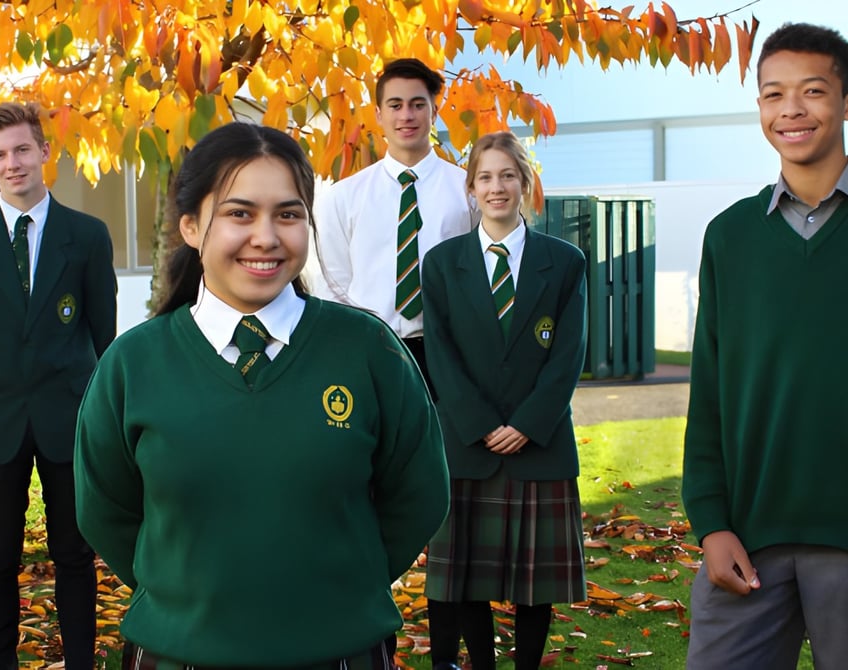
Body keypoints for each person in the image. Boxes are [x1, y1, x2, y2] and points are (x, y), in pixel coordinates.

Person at [74, 122, 450, 669]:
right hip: (180, 654)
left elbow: (418, 495)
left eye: (289, 214)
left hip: (339, 652)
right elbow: (105, 509)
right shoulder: (132, 365)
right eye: (239, 213)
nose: (267, 237)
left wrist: (340, 587)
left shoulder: (369, 350)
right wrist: (186, 590)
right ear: (191, 226)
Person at [683, 22, 848, 670]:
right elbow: (711, 396)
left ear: (844, 100)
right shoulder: (729, 238)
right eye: (773, 95)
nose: (791, 111)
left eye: (812, 91)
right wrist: (711, 522)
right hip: (747, 543)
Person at [0, 102, 117, 669]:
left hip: (68, 417)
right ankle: (0, 661)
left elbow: (101, 330)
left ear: (43, 151)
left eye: (20, 150)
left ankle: (81, 661)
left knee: (74, 554)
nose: (12, 163)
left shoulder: (87, 234)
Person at [421, 132, 587, 670]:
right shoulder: (443, 264)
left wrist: (528, 423)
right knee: (469, 577)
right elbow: (440, 355)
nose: (497, 188)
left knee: (534, 586)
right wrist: (480, 423)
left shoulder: (564, 262)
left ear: (525, 183)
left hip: (539, 444)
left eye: (507, 176)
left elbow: (568, 355)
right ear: (471, 189)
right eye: (485, 178)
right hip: (469, 445)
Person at [314, 58, 474, 396]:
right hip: (371, 350)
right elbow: (333, 285)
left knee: (446, 448)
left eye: (418, 105)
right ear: (378, 114)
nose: (406, 116)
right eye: (395, 105)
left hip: (450, 353)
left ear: (435, 110)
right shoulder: (344, 197)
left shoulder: (467, 193)